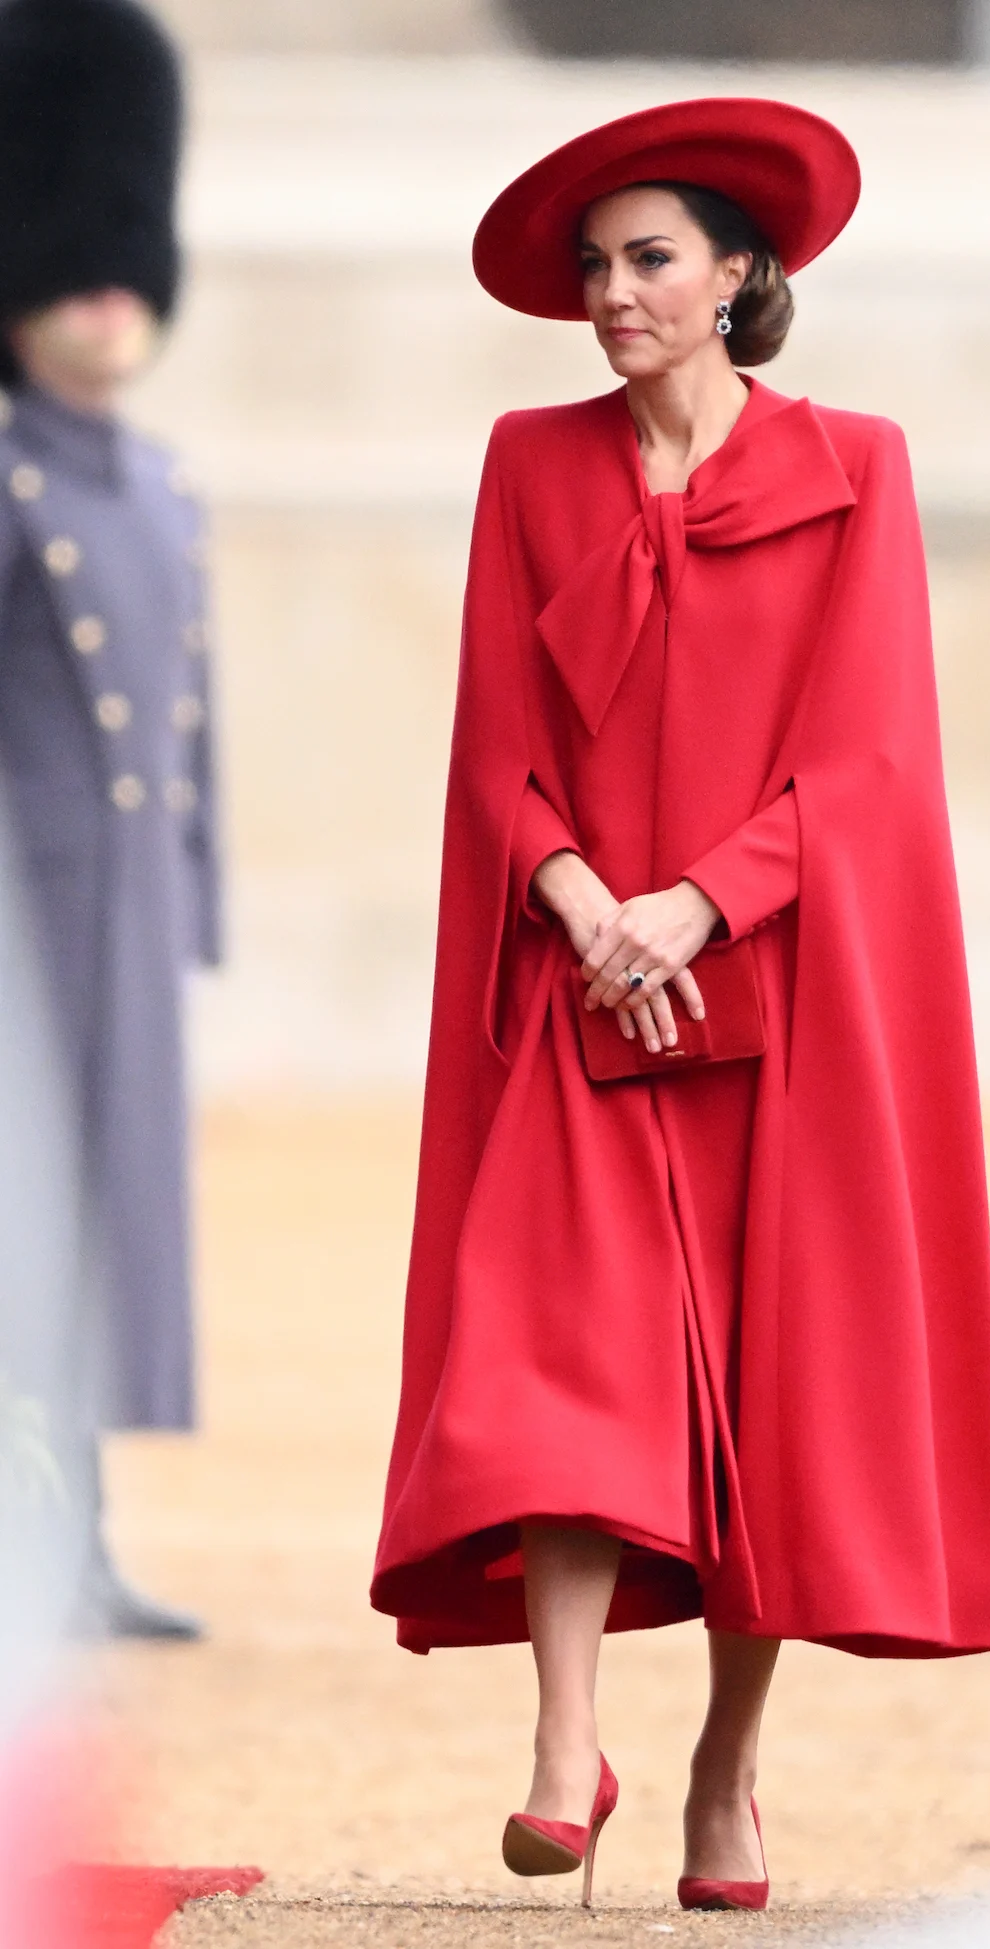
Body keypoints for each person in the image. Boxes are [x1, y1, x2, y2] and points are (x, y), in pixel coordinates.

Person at [372, 97, 990, 1908]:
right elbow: (495, 742)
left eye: (649, 258)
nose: (611, 292)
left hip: (775, 1000)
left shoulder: (860, 466)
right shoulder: (531, 463)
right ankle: (565, 1745)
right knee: (551, 1364)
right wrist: (587, 909)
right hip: (583, 990)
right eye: (595, 264)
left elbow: (872, 760)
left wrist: (694, 907)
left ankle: (727, 1777)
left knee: (763, 1406)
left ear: (742, 275)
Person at [0, 0, 220, 1641]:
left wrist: (190, 908)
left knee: (97, 1240)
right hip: (21, 918)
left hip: (118, 926)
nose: (107, 291)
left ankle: (74, 1543)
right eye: (76, 262)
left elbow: (188, 735)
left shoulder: (155, 488)